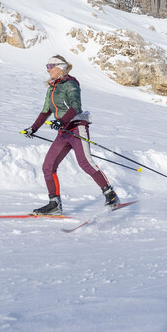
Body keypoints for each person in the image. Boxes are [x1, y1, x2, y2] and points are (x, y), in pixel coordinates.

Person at [22, 55, 119, 215]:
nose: (48, 69)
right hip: (63, 132)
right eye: (47, 66)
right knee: (48, 166)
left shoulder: (71, 84)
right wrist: (33, 128)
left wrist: (63, 120)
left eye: (51, 65)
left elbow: (75, 106)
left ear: (61, 67)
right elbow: (45, 111)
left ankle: (110, 194)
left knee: (85, 163)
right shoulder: (51, 88)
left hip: (76, 127)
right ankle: (54, 204)